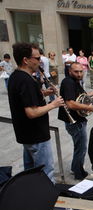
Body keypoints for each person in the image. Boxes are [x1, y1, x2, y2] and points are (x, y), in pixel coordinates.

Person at [8, 42, 64, 183]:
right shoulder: (26, 80)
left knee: (30, 171)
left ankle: (32, 197)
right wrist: (53, 104)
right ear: (26, 60)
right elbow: (31, 112)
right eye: (37, 58)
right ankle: (46, 201)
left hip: (25, 134)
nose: (40, 61)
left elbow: (25, 99)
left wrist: (45, 93)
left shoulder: (16, 76)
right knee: (45, 173)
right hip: (36, 135)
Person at [58, 62, 93, 180]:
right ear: (70, 71)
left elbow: (83, 98)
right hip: (75, 122)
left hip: (78, 119)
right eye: (76, 72)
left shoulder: (75, 82)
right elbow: (70, 104)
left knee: (79, 147)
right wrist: (89, 108)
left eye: (81, 71)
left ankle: (75, 168)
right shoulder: (68, 82)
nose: (79, 74)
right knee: (81, 148)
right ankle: (79, 173)